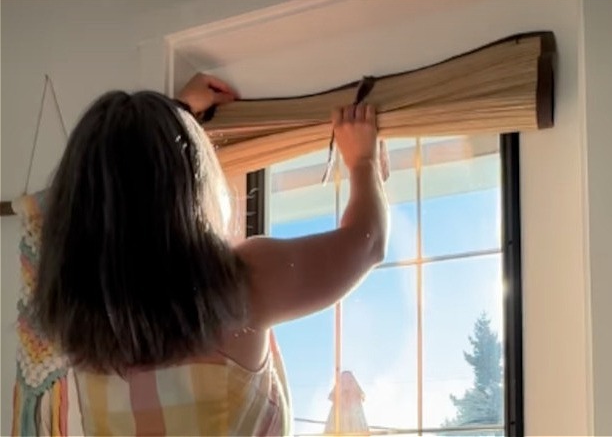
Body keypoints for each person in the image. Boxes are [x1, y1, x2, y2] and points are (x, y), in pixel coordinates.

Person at [29, 73, 389, 435]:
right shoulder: (244, 284)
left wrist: (177, 114)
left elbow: (126, 196)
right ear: (189, 189)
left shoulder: (73, 332)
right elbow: (367, 242)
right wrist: (363, 162)